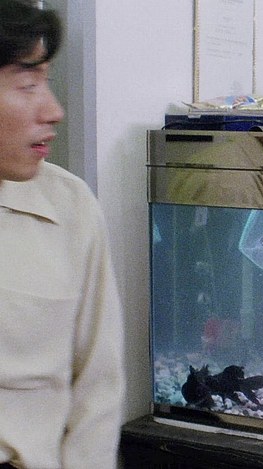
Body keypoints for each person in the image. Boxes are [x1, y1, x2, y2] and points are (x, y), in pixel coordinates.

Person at [0, 1, 125, 468]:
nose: (53, 111)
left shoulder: (71, 207)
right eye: (27, 84)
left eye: (46, 81)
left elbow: (99, 388)